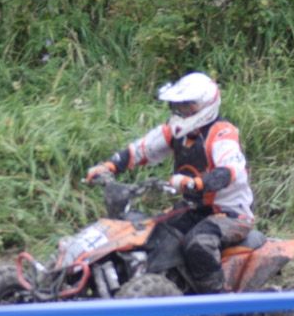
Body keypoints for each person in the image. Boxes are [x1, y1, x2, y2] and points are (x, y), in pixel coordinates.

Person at [86, 72, 254, 294]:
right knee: (151, 232)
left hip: (230, 213)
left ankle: (217, 301)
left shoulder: (222, 133)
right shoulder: (175, 131)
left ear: (206, 105)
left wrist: (194, 183)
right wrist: (109, 166)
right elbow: (141, 150)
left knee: (199, 243)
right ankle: (163, 285)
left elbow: (229, 171)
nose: (182, 111)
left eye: (188, 106)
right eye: (179, 106)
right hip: (192, 209)